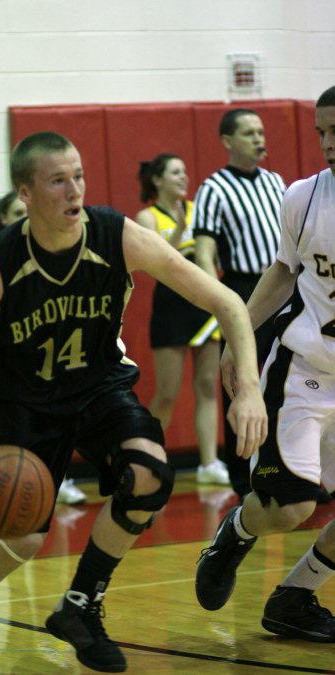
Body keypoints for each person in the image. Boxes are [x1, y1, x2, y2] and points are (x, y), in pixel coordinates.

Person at [0, 131, 266, 675]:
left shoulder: (116, 234)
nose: (74, 190)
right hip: (26, 401)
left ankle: (80, 606)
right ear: (25, 193)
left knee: (150, 473)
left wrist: (248, 390)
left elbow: (227, 303)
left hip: (99, 387)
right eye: (58, 180)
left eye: (78, 176)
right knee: (25, 533)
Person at [195, 86, 335, 643]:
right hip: (303, 369)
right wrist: (240, 331)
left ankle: (294, 599)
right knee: (291, 508)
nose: (326, 143)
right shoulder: (304, 196)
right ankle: (236, 529)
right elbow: (282, 272)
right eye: (321, 131)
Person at [193, 107, 286, 500]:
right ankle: (241, 476)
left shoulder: (277, 182)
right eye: (249, 133)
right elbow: (203, 252)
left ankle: (290, 471)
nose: (259, 138)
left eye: (261, 131)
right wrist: (218, 302)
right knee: (240, 381)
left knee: (284, 380)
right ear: (228, 141)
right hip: (242, 291)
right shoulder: (213, 187)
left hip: (284, 286)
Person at [135, 154, 228, 485]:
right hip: (171, 308)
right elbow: (156, 259)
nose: (184, 177)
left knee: (207, 385)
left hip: (200, 305)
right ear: (158, 180)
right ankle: (148, 460)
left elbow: (211, 255)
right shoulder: (147, 217)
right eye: (176, 172)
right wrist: (181, 230)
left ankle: (209, 463)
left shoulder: (198, 210)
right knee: (167, 392)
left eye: (185, 171)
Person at [0, 190, 88, 506]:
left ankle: (57, 479)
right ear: (2, 222)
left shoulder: (56, 262)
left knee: (59, 425)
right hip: (12, 375)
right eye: (16, 214)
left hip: (55, 367)